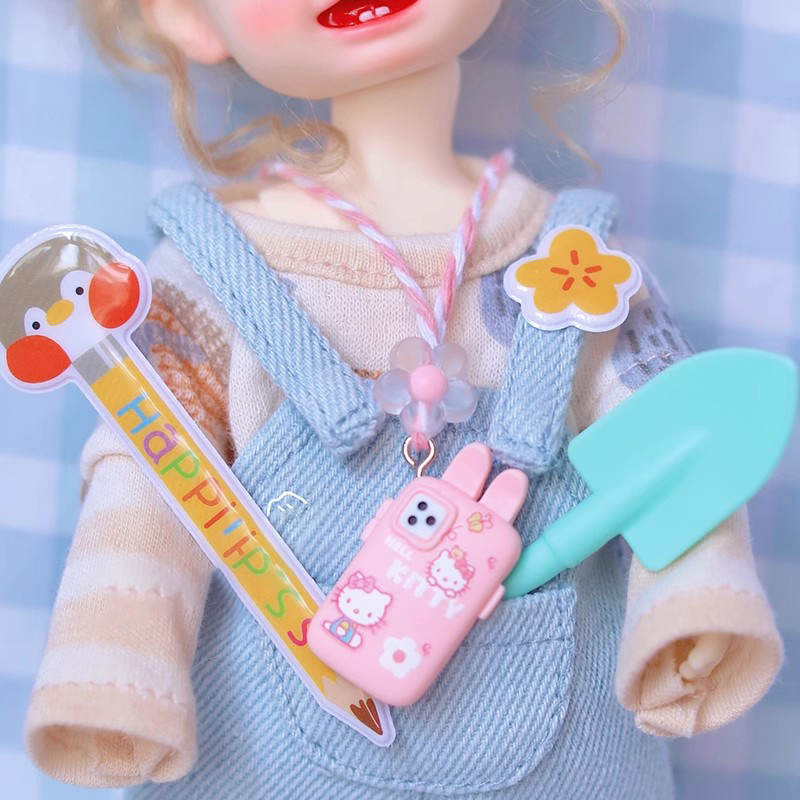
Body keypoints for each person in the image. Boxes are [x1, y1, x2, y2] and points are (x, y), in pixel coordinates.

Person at [24, 2, 782, 797]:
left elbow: (668, 441)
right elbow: (151, 473)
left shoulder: (577, 265)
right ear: (186, 15)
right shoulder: (210, 273)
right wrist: (114, 659)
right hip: (253, 761)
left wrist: (697, 598)